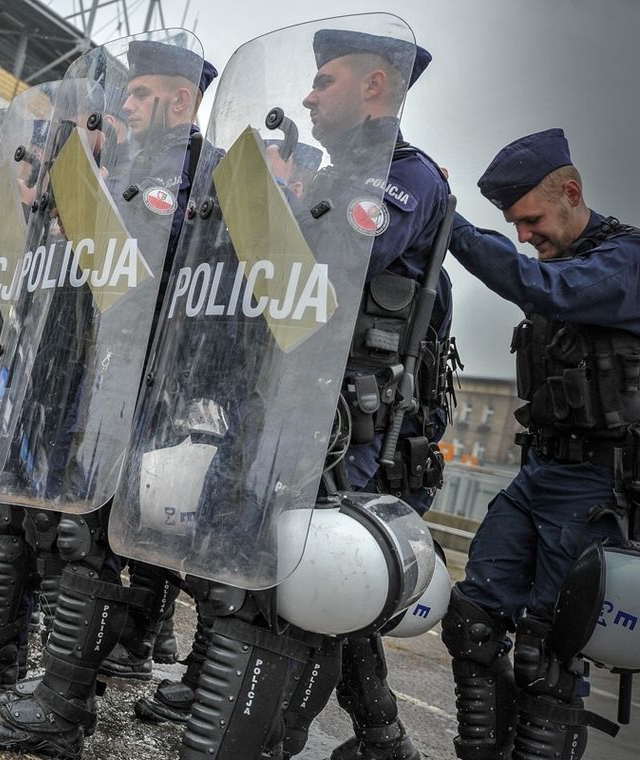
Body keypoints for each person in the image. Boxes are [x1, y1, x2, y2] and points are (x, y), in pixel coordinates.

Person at [169, 29, 454, 760]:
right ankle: (354, 737)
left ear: (373, 87)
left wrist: (267, 202)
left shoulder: (407, 176)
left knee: (302, 595)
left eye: (325, 80)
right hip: (289, 407)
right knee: (249, 574)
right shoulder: (330, 177)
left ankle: (267, 742)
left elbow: (350, 254)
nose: (307, 93)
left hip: (342, 425)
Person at [0, 39, 216, 760]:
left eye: (139, 95)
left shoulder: (202, 174)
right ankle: (56, 686)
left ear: (180, 100)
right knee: (68, 533)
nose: (127, 106)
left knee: (89, 541)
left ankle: (63, 706)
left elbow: (165, 287)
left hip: (140, 392)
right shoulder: (129, 167)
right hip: (87, 379)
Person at [440, 128, 634, 760]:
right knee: (471, 618)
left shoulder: (624, 262)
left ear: (572, 192)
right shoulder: (567, 263)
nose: (525, 237)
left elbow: (543, 288)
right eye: (514, 226)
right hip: (539, 475)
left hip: (595, 489)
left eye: (531, 220)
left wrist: (452, 224)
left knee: (545, 653)